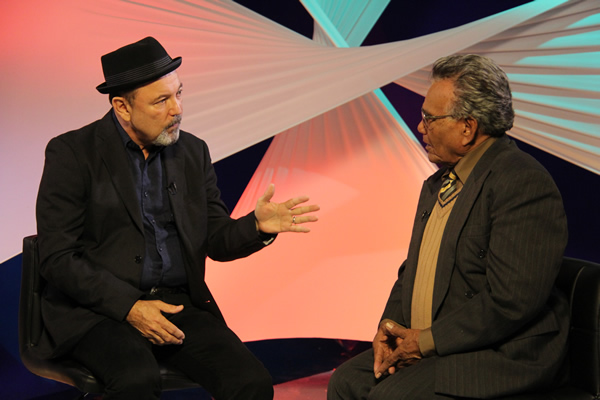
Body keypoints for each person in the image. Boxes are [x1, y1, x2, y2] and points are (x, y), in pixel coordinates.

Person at [35, 36, 319, 400]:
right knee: (136, 380)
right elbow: (57, 257)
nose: (177, 110)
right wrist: (129, 307)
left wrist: (256, 226)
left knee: (251, 383)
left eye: (179, 94)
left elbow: (214, 238)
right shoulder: (73, 153)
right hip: (98, 310)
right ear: (122, 107)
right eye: (161, 101)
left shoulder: (192, 152)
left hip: (176, 304)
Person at [327, 54, 569, 399]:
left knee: (392, 396)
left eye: (430, 118)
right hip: (442, 344)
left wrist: (425, 342)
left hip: (502, 353)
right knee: (346, 382)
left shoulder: (521, 182)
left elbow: (512, 301)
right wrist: (390, 328)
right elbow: (412, 270)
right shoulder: (438, 184)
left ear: (467, 127)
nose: (420, 127)